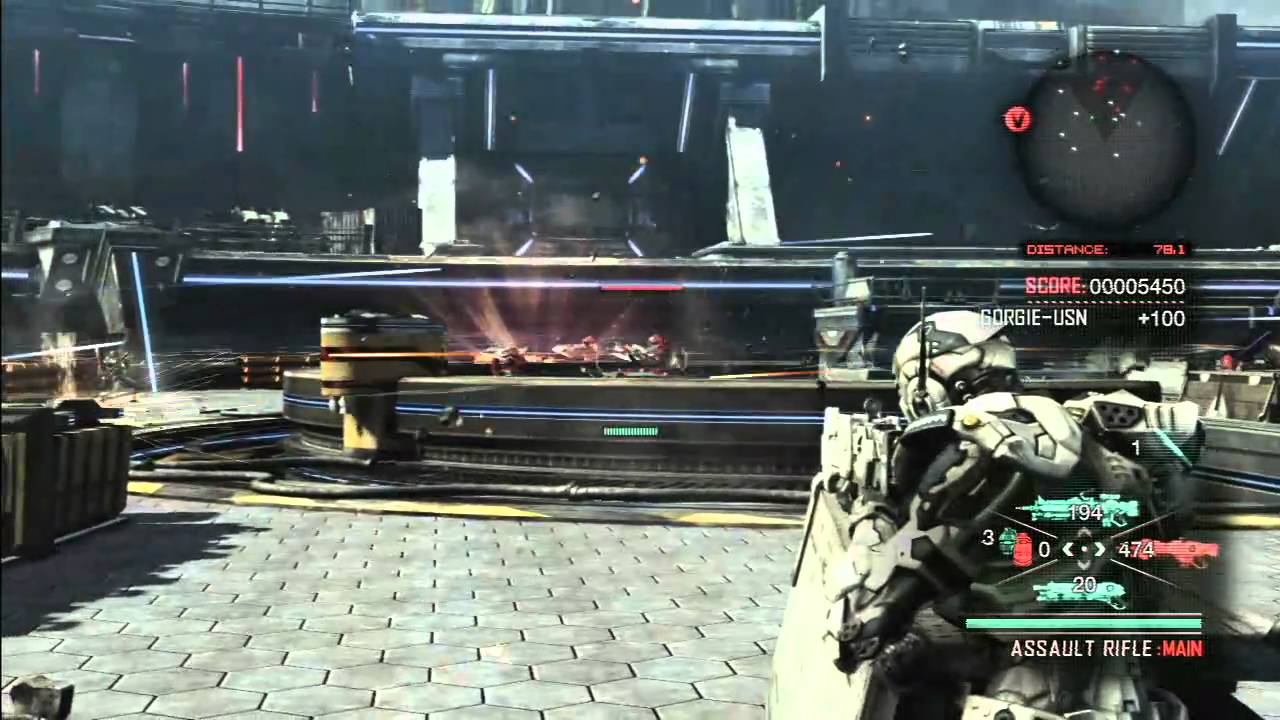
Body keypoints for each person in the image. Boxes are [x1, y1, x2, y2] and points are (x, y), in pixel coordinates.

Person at [824, 310, 1198, 719]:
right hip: (1117, 659)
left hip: (1035, 676)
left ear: (926, 384)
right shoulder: (1085, 423)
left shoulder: (980, 441)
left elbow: (922, 552)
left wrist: (872, 524)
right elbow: (1179, 468)